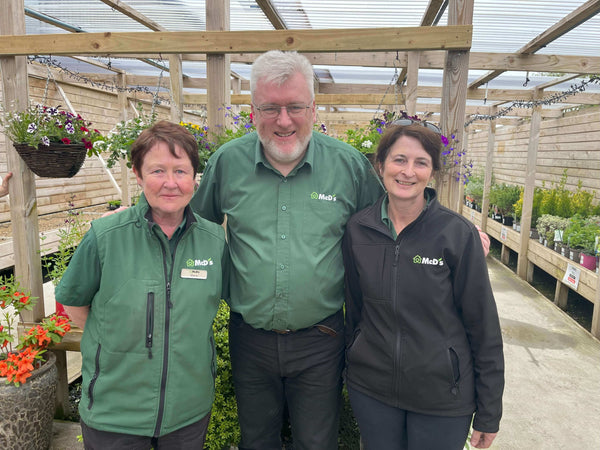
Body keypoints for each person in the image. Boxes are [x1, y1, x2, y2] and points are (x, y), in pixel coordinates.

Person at [190, 50, 385, 450]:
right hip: (250, 339)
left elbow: (391, 228)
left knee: (317, 442)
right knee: (256, 440)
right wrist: (140, 214)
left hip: (322, 339)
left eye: (294, 106)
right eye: (270, 108)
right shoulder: (227, 163)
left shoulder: (348, 167)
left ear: (313, 108)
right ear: (252, 110)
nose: (283, 120)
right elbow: (191, 226)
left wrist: (451, 230)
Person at [56, 121, 229, 449]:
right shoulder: (105, 237)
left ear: (195, 177)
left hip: (187, 413)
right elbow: (75, 305)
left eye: (180, 171)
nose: (170, 183)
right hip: (115, 414)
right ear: (137, 174)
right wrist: (113, 341)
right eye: (157, 171)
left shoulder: (213, 241)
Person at [342, 121, 504, 450]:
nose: (408, 171)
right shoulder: (358, 231)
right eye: (399, 159)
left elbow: (483, 326)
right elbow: (354, 310)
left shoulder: (457, 235)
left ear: (433, 172)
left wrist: (490, 412)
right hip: (373, 392)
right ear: (381, 164)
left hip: (442, 398)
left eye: (421, 162)